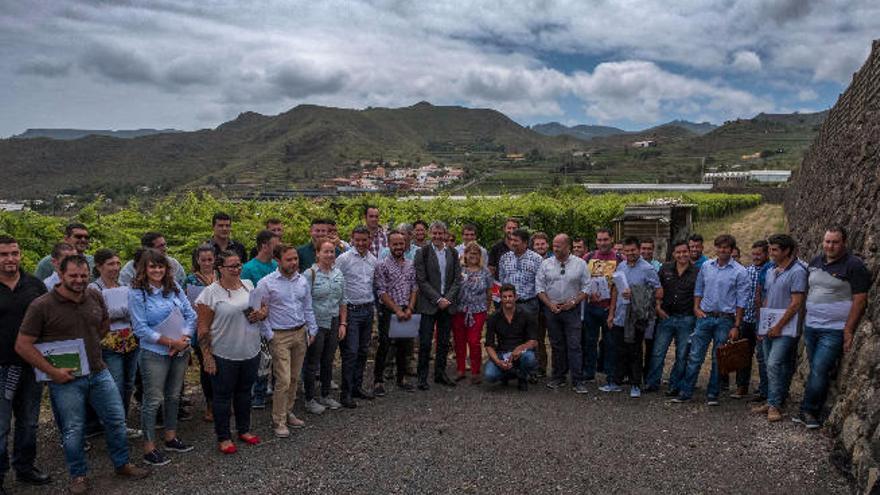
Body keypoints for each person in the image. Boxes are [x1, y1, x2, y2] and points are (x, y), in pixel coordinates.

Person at [16, 255, 149, 494]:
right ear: (61, 276)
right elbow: (23, 345)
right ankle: (78, 475)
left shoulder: (94, 295)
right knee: (73, 429)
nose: (79, 280)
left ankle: (122, 464)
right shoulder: (42, 305)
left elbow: (104, 322)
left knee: (117, 420)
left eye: (83, 276)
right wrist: (52, 371)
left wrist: (92, 346)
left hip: (98, 371)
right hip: (66, 379)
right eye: (73, 276)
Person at [129, 249, 197, 466]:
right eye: (152, 266)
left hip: (179, 350)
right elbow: (140, 328)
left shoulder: (174, 287)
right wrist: (170, 342)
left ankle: (170, 437)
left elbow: (191, 314)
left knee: (174, 396)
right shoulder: (137, 293)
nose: (157, 270)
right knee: (152, 400)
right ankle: (149, 448)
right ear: (144, 269)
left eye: (161, 266)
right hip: (154, 353)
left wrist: (185, 337)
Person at [796, 226, 870, 429]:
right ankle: (811, 407)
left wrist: (848, 329)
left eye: (835, 242)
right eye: (827, 241)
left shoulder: (854, 266)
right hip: (811, 326)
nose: (830, 245)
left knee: (819, 369)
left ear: (844, 243)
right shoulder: (815, 262)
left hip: (833, 329)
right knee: (816, 369)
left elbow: (860, 300)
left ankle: (809, 411)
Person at [195, 250, 268, 454]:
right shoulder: (210, 293)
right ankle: (224, 436)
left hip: (250, 350)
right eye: (232, 266)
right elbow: (202, 329)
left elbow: (263, 308)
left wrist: (261, 314)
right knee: (223, 396)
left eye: (239, 265)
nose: (237, 269)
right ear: (220, 268)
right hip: (224, 353)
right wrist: (207, 357)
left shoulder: (249, 285)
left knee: (245, 392)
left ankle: (244, 429)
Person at [673, 235, 749, 405]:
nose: (723, 250)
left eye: (726, 248)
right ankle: (686, 392)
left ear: (731, 249)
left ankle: (712, 394)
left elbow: (741, 301)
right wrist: (696, 308)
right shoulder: (707, 266)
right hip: (705, 317)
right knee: (695, 356)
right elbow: (699, 289)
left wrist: (736, 325)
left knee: (718, 358)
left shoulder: (740, 272)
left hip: (725, 319)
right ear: (715, 248)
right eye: (720, 247)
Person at [0, 236, 51, 491]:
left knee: (29, 421)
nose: (10, 258)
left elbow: (49, 317)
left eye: (14, 253)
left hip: (31, 365)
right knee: (0, 426)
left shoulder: (34, 284)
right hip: (1, 367)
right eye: (4, 254)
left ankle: (25, 467)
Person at [252, 245, 318, 436]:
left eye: (295, 259)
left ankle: (288, 411)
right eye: (289, 260)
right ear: (278, 261)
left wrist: (311, 328)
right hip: (279, 335)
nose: (294, 263)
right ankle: (278, 420)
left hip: (300, 333)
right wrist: (269, 334)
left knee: (295, 377)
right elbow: (260, 311)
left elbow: (307, 306)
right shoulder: (266, 283)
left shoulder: (302, 280)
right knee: (283, 379)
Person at [751, 234, 808, 422]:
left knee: (775, 364)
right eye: (770, 249)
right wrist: (763, 325)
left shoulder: (798, 272)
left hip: (785, 327)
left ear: (787, 251)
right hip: (769, 326)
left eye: (774, 250)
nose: (771, 253)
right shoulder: (771, 271)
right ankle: (773, 400)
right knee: (770, 365)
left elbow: (796, 303)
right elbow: (767, 298)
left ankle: (774, 405)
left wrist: (778, 326)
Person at [89, 249, 141, 438]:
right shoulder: (94, 289)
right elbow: (98, 316)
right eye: (110, 264)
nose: (116, 268)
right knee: (115, 384)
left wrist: (117, 311)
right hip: (109, 343)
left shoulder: (123, 285)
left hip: (129, 339)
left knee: (128, 383)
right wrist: (123, 310)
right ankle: (113, 423)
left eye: (117, 263)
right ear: (99, 266)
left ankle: (122, 421)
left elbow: (134, 310)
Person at [604, 237, 661, 398]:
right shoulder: (621, 265)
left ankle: (636, 383)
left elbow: (658, 292)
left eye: (633, 250)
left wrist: (636, 292)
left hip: (637, 316)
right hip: (620, 315)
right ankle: (616, 381)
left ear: (638, 250)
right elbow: (615, 290)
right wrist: (611, 313)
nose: (630, 253)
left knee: (635, 351)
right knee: (618, 351)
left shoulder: (648, 269)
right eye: (626, 251)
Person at [537, 234, 590, 393]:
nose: (555, 248)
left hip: (572, 310)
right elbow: (539, 288)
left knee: (574, 345)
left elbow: (586, 288)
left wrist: (573, 302)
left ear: (568, 247)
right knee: (556, 344)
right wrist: (550, 304)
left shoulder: (580, 264)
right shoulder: (546, 264)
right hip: (552, 309)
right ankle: (558, 377)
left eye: (559, 245)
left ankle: (577, 380)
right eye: (554, 245)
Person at [414, 221, 461, 390]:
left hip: (447, 305)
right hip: (429, 304)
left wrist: (447, 298)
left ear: (445, 235)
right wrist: (437, 299)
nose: (437, 236)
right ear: (429, 234)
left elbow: (457, 279)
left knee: (443, 342)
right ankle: (422, 376)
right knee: (426, 342)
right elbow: (421, 280)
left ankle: (440, 374)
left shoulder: (453, 253)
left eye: (440, 234)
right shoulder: (422, 253)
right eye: (434, 233)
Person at [646, 240, 697, 396]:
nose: (682, 255)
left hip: (686, 319)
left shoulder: (697, 272)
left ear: (689, 252)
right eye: (678, 252)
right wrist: (658, 307)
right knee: (658, 352)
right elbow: (657, 288)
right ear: (674, 254)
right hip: (666, 316)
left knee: (682, 355)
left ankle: (674, 385)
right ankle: (652, 383)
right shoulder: (665, 268)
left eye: (684, 251)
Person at [335, 227, 378, 407]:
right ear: (352, 239)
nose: (361, 243)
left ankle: (357, 387)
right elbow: (336, 282)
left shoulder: (373, 260)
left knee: (362, 351)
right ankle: (345, 393)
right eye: (357, 240)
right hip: (350, 311)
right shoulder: (343, 260)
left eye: (364, 240)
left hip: (367, 309)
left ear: (370, 240)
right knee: (350, 353)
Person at [302, 240, 346, 414]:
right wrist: (308, 327)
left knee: (328, 360)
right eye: (326, 251)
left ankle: (325, 395)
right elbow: (303, 302)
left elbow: (343, 300)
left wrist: (343, 323)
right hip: (316, 323)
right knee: (312, 362)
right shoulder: (309, 274)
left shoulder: (338, 274)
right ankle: (309, 399)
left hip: (334, 321)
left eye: (332, 252)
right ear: (317, 253)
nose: (329, 255)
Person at [373, 231, 419, 394]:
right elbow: (381, 291)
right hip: (389, 310)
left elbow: (414, 287)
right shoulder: (382, 265)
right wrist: (397, 310)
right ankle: (378, 380)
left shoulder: (410, 264)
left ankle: (401, 378)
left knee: (404, 345)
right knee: (385, 345)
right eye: (395, 244)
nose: (399, 247)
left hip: (407, 309)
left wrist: (410, 308)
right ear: (389, 245)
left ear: (405, 245)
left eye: (401, 244)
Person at [582, 228, 624, 382]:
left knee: (610, 343)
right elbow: (582, 281)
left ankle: (610, 373)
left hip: (610, 308)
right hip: (591, 307)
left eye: (605, 239)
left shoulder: (620, 259)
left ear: (612, 239)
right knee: (589, 341)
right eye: (599, 240)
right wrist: (587, 293)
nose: (602, 243)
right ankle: (589, 372)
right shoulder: (589, 257)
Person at [733, 240, 771, 401]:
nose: (755, 257)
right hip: (746, 319)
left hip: (762, 321)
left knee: (762, 356)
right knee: (743, 354)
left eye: (759, 254)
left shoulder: (771, 271)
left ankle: (764, 390)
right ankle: (741, 387)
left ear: (767, 254)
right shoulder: (746, 271)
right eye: (753, 254)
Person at [483, 284, 539, 391]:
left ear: (516, 297)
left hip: (521, 354)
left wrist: (521, 348)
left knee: (530, 358)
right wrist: (498, 362)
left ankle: (522, 377)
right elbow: (489, 345)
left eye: (510, 296)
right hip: (502, 353)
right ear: (500, 298)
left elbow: (534, 341)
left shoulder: (527, 314)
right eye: (504, 297)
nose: (507, 299)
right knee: (490, 375)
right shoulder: (493, 317)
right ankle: (508, 374)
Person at [452, 242, 493, 384]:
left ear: (480, 256)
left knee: (474, 341)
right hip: (460, 310)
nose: (473, 256)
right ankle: (461, 369)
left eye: (476, 254)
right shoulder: (459, 269)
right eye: (470, 253)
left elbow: (489, 292)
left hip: (478, 311)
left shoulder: (485, 272)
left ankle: (476, 371)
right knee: (459, 341)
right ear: (465, 255)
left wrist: (486, 308)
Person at [184, 245, 216, 422]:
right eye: (203, 260)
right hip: (200, 328)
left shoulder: (221, 275)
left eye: (209, 259)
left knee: (224, 366)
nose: (206, 263)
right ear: (197, 260)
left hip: (221, 328)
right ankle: (210, 404)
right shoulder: (191, 280)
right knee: (206, 368)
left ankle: (224, 400)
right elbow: (184, 304)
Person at [497, 229, 543, 316]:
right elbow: (502, 279)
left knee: (529, 329)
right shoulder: (504, 258)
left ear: (525, 242)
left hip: (529, 304)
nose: (512, 243)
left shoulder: (537, 259)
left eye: (516, 240)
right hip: (509, 304)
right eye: (511, 240)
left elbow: (540, 283)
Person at [119, 232, 186, 287]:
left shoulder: (173, 264)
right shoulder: (130, 268)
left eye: (165, 245)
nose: (165, 248)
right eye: (161, 246)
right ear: (148, 249)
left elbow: (182, 285)